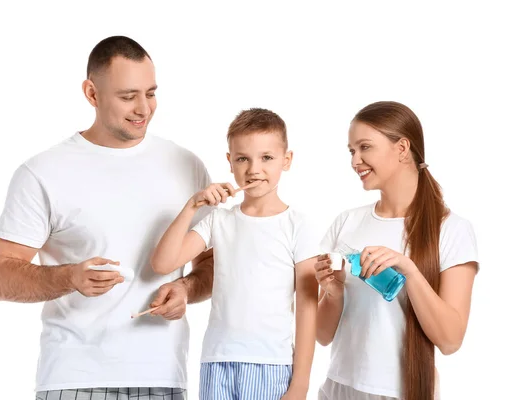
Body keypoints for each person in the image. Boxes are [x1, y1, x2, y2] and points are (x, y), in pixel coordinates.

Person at [0, 35, 214, 400]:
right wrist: (69, 277)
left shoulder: (188, 167)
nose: (144, 108)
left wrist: (186, 288)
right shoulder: (43, 172)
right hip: (73, 378)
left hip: (164, 376)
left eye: (150, 93)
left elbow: (210, 264)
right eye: (127, 96)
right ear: (92, 93)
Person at [151, 108, 320, 399]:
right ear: (230, 162)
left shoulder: (298, 225)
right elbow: (163, 262)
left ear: (286, 160)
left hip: (271, 364)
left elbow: (307, 306)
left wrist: (301, 384)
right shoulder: (219, 220)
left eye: (267, 157)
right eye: (243, 158)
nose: (254, 169)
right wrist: (193, 206)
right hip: (216, 363)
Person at [315, 101, 479, 400]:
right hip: (338, 387)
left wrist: (410, 271)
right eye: (352, 150)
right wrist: (333, 293)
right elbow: (323, 336)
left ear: (402, 148)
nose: (355, 160)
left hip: (402, 392)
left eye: (365, 147)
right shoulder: (346, 222)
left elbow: (450, 340)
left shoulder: (452, 229)